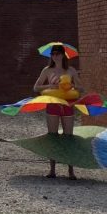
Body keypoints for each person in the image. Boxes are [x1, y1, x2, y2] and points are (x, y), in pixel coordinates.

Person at [32, 44, 83, 180]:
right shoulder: (47, 70)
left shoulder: (70, 70)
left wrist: (72, 85)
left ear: (63, 54)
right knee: (52, 136)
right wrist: (50, 85)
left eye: (57, 53)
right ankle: (52, 169)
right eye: (53, 54)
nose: (55, 56)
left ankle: (71, 170)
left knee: (69, 137)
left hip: (67, 105)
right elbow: (36, 87)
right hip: (53, 105)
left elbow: (80, 87)